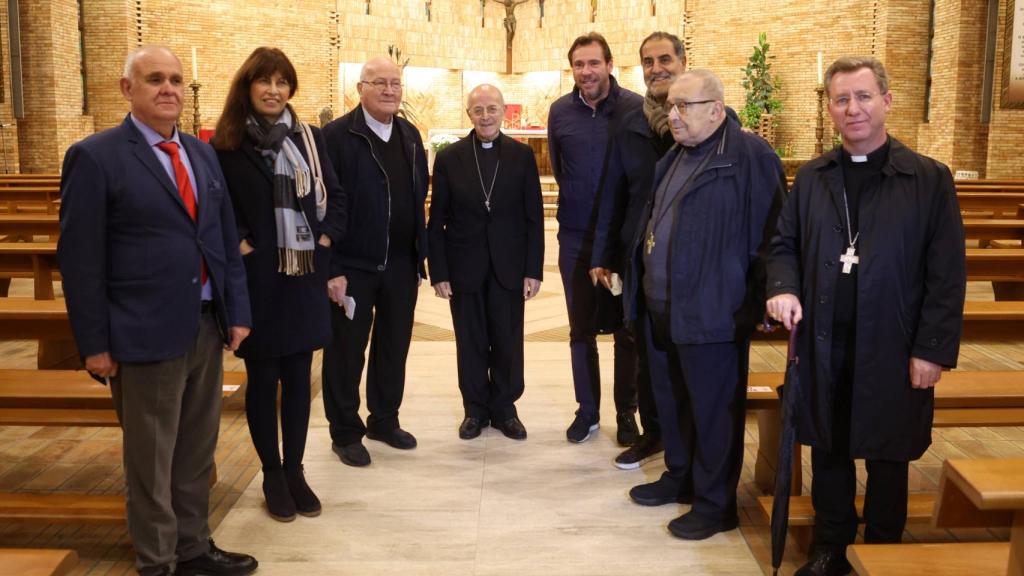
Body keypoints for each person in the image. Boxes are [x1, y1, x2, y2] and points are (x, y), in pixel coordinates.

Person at [57, 45, 257, 576]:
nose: (167, 89)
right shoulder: (96, 156)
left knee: (196, 452)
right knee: (151, 460)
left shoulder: (201, 152)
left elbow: (219, 238)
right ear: (128, 89)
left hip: (205, 326)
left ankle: (194, 548)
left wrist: (237, 311)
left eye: (174, 79)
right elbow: (80, 262)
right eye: (154, 80)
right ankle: (158, 561)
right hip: (141, 333)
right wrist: (94, 345)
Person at [766, 56, 965, 576]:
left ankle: (881, 549)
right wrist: (783, 288)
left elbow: (947, 275)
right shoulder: (812, 177)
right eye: (841, 99)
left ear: (886, 101)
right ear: (830, 108)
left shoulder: (927, 179)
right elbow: (783, 244)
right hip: (826, 340)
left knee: (888, 453)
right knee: (829, 447)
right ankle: (832, 547)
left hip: (895, 343)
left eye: (863, 97)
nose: (852, 108)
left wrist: (932, 350)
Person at [624, 70, 785, 540]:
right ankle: (681, 477)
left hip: (714, 309)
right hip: (663, 307)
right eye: (670, 106)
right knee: (673, 402)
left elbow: (775, 233)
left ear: (716, 109)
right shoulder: (674, 155)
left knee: (714, 411)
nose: (672, 115)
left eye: (684, 107)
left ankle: (716, 505)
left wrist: (762, 300)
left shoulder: (750, 156)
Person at [213, 47, 346, 522]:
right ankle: (271, 471)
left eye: (282, 82)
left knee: (297, 378)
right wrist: (243, 245)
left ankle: (295, 469)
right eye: (265, 81)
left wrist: (328, 238)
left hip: (305, 275)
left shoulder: (309, 138)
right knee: (263, 377)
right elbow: (217, 209)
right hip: (259, 280)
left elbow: (337, 193)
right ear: (247, 87)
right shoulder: (226, 144)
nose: (274, 90)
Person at [321, 56, 429, 467]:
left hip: (401, 264)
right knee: (347, 351)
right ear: (360, 89)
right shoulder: (335, 136)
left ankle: (384, 419)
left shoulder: (410, 135)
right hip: (353, 265)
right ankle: (345, 431)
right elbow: (326, 204)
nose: (389, 90)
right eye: (379, 83)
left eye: (395, 83)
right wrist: (332, 268)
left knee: (393, 346)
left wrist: (420, 256)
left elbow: (417, 197)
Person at [588, 31, 686, 470]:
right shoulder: (630, 123)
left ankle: (688, 444)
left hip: (690, 262)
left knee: (684, 355)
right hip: (641, 257)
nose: (656, 68)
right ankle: (653, 435)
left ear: (683, 61)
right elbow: (614, 192)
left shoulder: (708, 119)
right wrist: (603, 255)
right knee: (643, 349)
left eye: (664, 59)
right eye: (648, 61)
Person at [428, 84, 544, 441]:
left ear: (503, 111)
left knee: (508, 340)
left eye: (492, 109)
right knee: (471, 340)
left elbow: (533, 218)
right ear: (469, 115)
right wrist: (439, 272)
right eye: (478, 110)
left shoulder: (521, 157)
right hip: (465, 266)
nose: (485, 116)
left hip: (509, 265)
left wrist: (533, 270)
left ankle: (505, 409)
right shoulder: (450, 158)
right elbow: (437, 221)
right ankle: (475, 410)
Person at [547, 32, 644, 445]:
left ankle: (626, 413)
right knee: (579, 329)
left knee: (627, 329)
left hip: (623, 240)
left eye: (593, 63)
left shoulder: (635, 109)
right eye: (579, 65)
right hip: (575, 237)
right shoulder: (559, 112)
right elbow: (558, 166)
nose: (586, 72)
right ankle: (587, 411)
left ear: (609, 65)